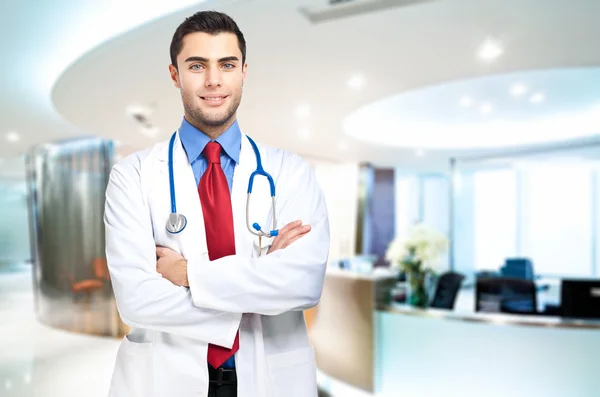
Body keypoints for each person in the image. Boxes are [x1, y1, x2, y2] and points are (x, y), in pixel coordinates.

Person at [103, 9, 330, 397]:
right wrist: (259, 279)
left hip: (271, 380)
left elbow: (303, 283)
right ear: (174, 74)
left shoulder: (290, 172)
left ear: (243, 71)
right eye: (197, 65)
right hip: (163, 380)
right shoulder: (133, 176)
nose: (213, 80)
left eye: (227, 64)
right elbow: (136, 299)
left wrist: (188, 274)